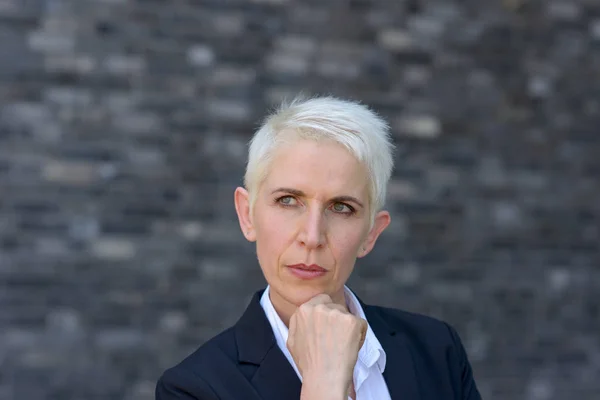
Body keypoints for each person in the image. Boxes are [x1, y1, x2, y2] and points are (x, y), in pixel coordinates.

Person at [155, 96, 482, 400]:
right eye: (288, 200)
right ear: (247, 215)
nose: (312, 236)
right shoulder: (193, 389)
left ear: (371, 233)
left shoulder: (438, 352)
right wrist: (324, 382)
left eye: (342, 207)